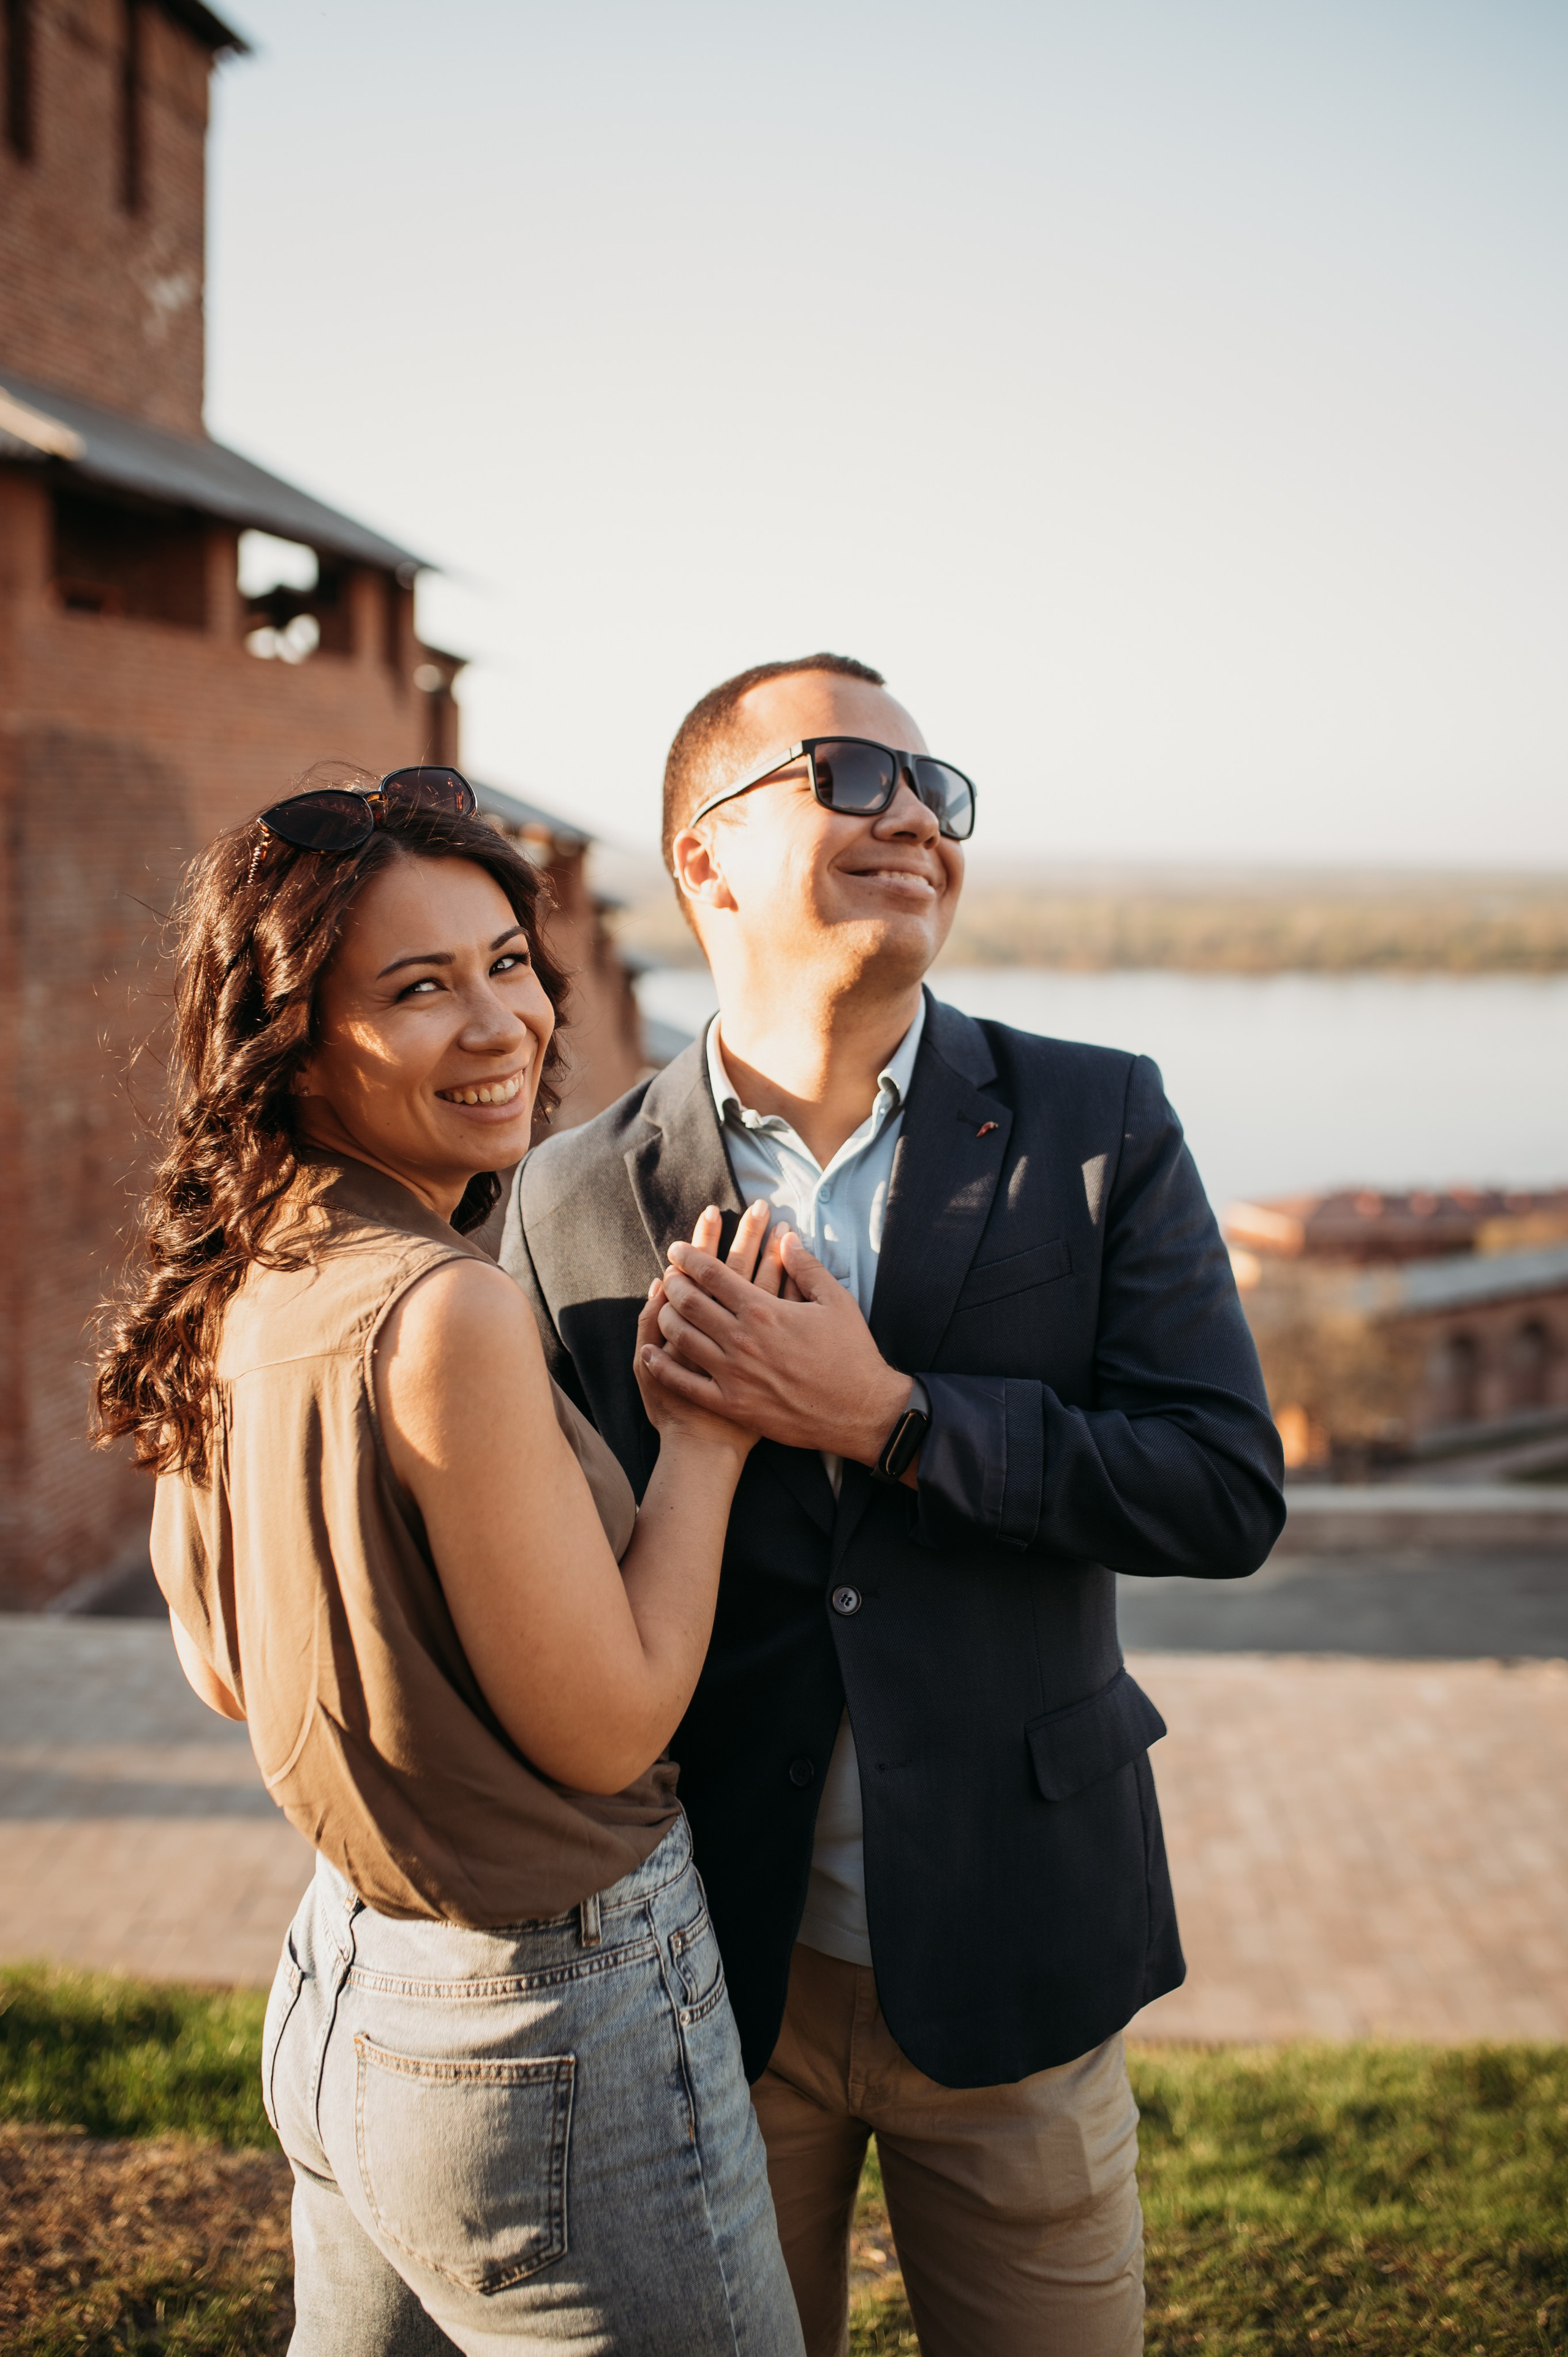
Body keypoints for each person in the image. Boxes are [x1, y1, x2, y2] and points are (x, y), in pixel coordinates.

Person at [502, 657, 1287, 2357]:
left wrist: (896, 1420)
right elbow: (546, 1584)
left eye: (943, 792)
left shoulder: (1101, 1118)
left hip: (1021, 1964)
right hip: (710, 1984)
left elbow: (1225, 1489)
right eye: (854, 775)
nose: (919, 817)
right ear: (705, 858)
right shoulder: (566, 1198)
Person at [94, 763, 806, 2357]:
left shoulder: (248, 1268)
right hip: (552, 2031)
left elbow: (224, 1666)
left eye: (506, 964)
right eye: (418, 988)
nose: (502, 1025)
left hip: (349, 1986)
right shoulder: (446, 1310)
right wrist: (706, 1439)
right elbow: (611, 1727)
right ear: (295, 1033)